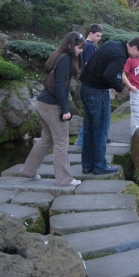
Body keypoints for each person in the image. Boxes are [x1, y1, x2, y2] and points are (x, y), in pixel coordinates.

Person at [20, 32, 85, 186]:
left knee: (46, 139)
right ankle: (64, 179)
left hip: (42, 103)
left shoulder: (58, 55)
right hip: (51, 105)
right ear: (70, 46)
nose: (81, 51)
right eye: (79, 47)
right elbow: (58, 86)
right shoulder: (65, 60)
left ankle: (28, 171)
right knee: (62, 141)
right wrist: (64, 109)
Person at [79, 40, 130, 175]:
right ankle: (100, 165)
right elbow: (108, 75)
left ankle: (87, 165)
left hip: (85, 88)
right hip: (97, 92)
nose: (136, 58)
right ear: (134, 48)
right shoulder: (121, 56)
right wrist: (119, 88)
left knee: (89, 129)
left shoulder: (111, 44)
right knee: (100, 130)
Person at [76, 24, 103, 148]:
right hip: (90, 82)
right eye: (97, 35)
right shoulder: (90, 46)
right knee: (92, 117)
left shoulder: (82, 46)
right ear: (90, 33)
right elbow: (89, 64)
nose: (99, 39)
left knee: (88, 116)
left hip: (83, 80)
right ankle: (83, 141)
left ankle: (82, 140)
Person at [122, 37, 139, 136]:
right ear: (135, 49)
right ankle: (135, 135)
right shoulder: (130, 59)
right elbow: (123, 74)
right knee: (136, 112)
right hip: (136, 89)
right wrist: (130, 86)